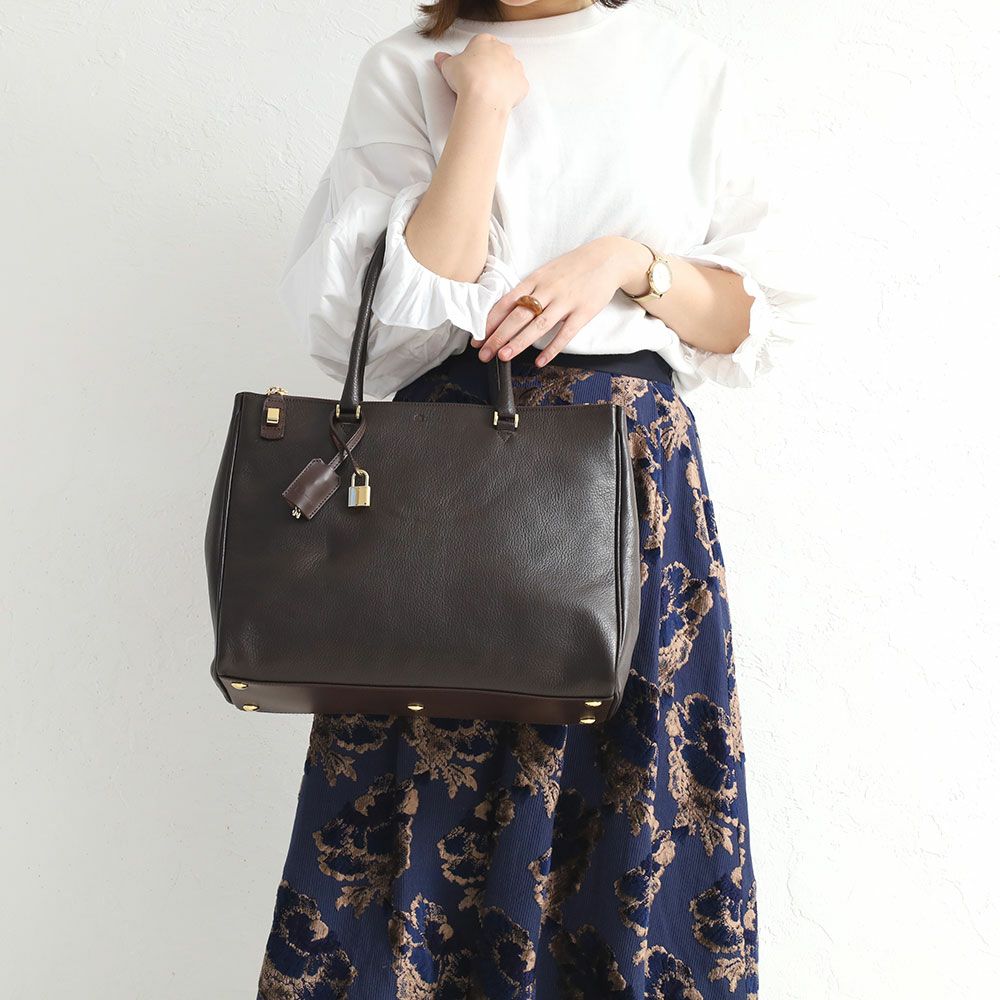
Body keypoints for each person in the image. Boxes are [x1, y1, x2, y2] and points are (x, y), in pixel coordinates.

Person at [259, 1, 816, 996]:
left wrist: (629, 261)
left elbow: (743, 319)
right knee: (428, 804)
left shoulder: (686, 68)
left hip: (629, 491)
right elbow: (392, 320)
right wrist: (482, 105)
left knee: (630, 807)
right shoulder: (412, 65)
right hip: (444, 493)